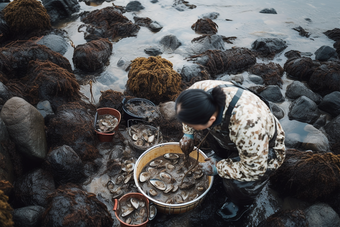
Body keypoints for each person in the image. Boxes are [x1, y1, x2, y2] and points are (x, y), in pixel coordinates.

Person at [175, 80, 285, 222]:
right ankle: (224, 157)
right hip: (234, 136)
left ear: (211, 119)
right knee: (211, 136)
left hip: (263, 151)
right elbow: (186, 113)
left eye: (191, 125)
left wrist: (218, 167)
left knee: (240, 182)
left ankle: (240, 203)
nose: (189, 126)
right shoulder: (197, 91)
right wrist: (188, 133)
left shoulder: (248, 125)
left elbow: (254, 169)